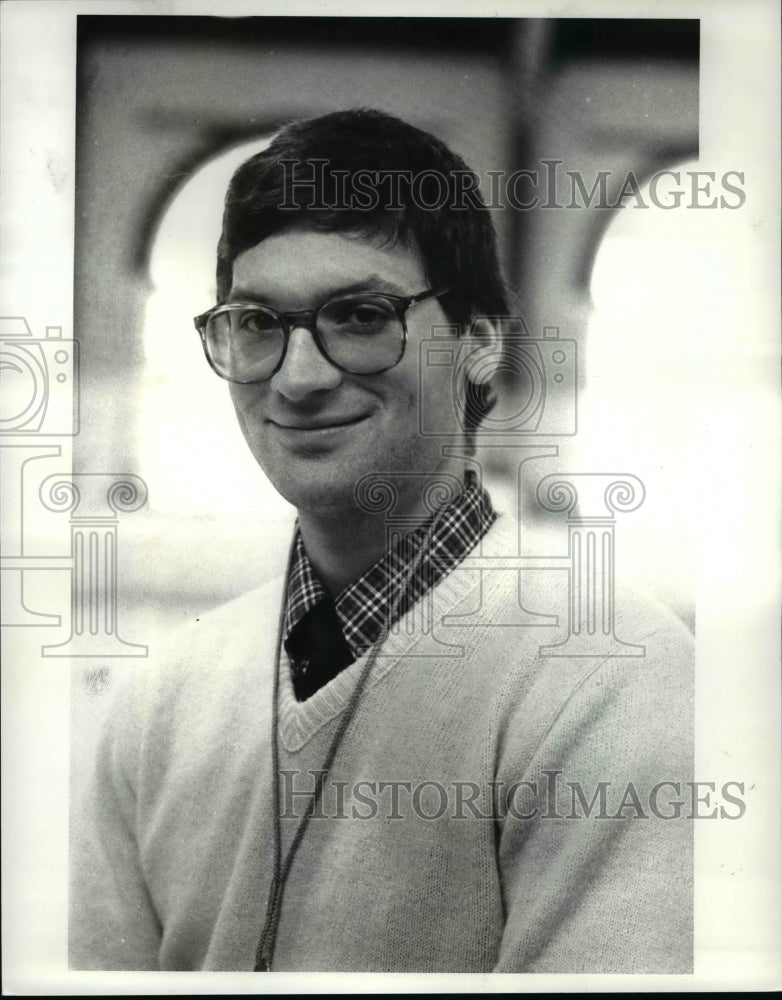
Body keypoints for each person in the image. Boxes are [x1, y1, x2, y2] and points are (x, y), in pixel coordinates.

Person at [70, 108, 694, 973]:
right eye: (255, 322)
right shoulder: (160, 707)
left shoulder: (612, 679)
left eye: (360, 316)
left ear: (478, 343)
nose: (299, 377)